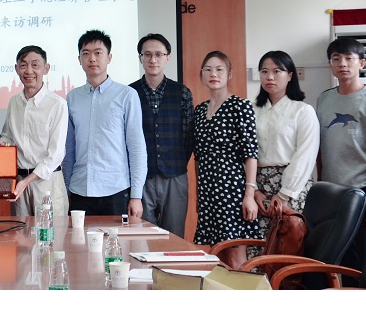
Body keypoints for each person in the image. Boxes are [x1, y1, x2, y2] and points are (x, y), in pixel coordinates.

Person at [63, 29, 147, 217]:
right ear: (79, 59)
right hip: (79, 189)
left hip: (115, 190)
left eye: (98, 53)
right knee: (78, 237)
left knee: (116, 238)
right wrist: (66, 189)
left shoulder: (126, 95)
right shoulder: (72, 98)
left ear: (109, 57)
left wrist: (136, 196)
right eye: (86, 53)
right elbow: (69, 149)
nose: (92, 59)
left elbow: (136, 147)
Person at [317, 37, 366, 273]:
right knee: (333, 257)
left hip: (365, 190)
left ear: (361, 63)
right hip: (331, 192)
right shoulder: (323, 99)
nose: (342, 64)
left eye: (348, 58)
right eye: (336, 59)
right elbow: (319, 147)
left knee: (364, 257)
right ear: (330, 64)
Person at [193, 50, 259, 269]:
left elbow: (251, 154)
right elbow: (198, 157)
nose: (214, 74)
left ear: (229, 74)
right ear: (202, 74)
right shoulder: (199, 111)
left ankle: (245, 290)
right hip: (208, 192)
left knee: (235, 256)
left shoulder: (240, 106)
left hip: (232, 190)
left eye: (219, 69)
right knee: (216, 258)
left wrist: (249, 195)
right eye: (208, 70)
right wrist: (199, 195)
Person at [0, 45, 69, 217]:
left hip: (47, 183)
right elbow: (9, 136)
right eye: (23, 65)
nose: (29, 71)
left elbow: (56, 154)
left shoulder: (57, 104)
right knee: (21, 232)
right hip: (19, 183)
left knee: (50, 233)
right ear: (16, 69)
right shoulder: (14, 102)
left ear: (46, 68)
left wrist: (26, 181)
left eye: (35, 65)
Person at [129, 33, 194, 237]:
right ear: (140, 58)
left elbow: (188, 136)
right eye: (147, 54)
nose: (153, 60)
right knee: (142, 237)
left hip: (174, 175)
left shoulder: (182, 92)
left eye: (158, 54)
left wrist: (174, 161)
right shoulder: (129, 93)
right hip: (140, 178)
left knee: (174, 236)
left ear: (168, 57)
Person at [252, 51, 319, 242]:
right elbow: (245, 152)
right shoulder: (251, 110)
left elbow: (306, 155)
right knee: (257, 245)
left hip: (292, 186)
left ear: (290, 75)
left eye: (277, 71)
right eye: (264, 71)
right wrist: (254, 191)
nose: (270, 77)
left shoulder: (303, 111)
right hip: (258, 187)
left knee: (287, 243)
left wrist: (284, 194)